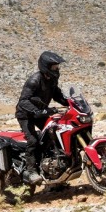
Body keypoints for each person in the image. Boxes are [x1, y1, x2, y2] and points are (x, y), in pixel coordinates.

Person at [14, 51, 67, 184]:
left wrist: (70, 102)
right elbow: (23, 101)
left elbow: (57, 94)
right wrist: (36, 111)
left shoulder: (52, 79)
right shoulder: (34, 80)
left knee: (53, 135)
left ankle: (51, 170)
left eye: (57, 66)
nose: (57, 69)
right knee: (33, 140)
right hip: (25, 115)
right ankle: (31, 171)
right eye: (54, 67)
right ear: (46, 67)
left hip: (40, 113)